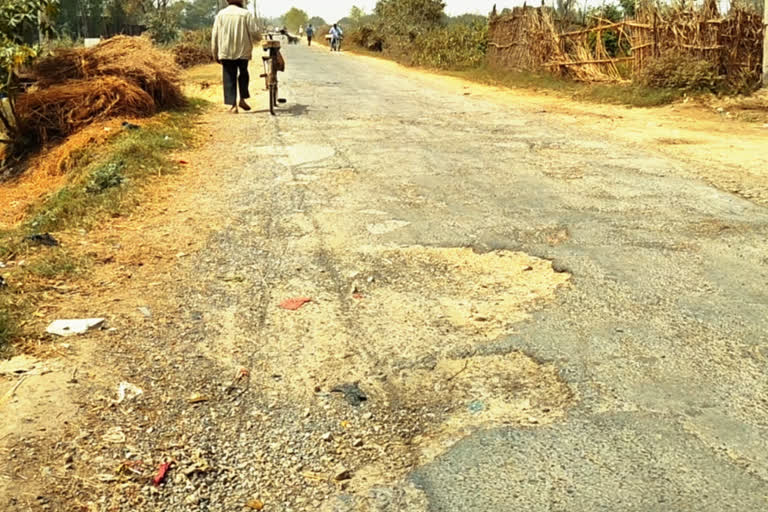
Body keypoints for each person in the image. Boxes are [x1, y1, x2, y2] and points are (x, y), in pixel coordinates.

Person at [211, 0, 260, 114]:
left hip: (226, 52)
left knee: (229, 77)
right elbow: (255, 32)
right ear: (241, 2)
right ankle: (242, 99)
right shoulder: (245, 14)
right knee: (243, 74)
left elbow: (215, 35)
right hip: (243, 51)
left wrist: (215, 53)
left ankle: (233, 106)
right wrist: (259, 38)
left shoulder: (220, 15)